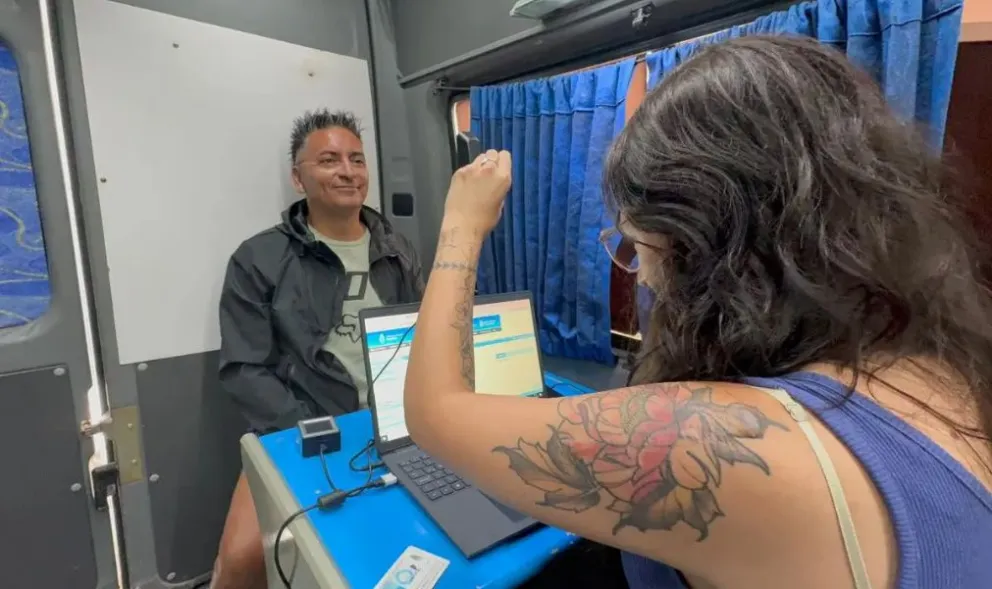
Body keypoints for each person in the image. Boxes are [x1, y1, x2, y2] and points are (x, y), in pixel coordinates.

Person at [403, 36, 992, 589]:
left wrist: (461, 224)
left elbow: (435, 414)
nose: (644, 275)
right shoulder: (942, 365)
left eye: (637, 246)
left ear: (694, 243)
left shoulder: (728, 440)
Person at [211, 109, 424, 589]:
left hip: (395, 425)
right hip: (303, 430)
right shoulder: (258, 258)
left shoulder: (398, 249)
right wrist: (317, 431)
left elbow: (422, 337)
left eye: (356, 160)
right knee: (243, 559)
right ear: (298, 177)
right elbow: (245, 370)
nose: (347, 172)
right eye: (329, 160)